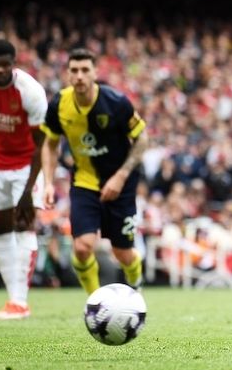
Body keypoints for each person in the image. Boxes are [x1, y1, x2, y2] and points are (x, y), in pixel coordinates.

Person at [40, 48, 148, 294]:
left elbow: (142, 138)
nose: (79, 76)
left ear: (95, 72)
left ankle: (136, 286)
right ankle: (94, 301)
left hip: (121, 183)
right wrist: (47, 182)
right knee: (82, 247)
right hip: (84, 181)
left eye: (85, 70)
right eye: (74, 70)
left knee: (123, 253)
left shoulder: (116, 103)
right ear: (67, 74)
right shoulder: (58, 104)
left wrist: (121, 176)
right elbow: (50, 144)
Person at [0, 39, 48, 319]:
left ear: (14, 64)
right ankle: (13, 301)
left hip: (27, 166)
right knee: (2, 231)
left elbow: (42, 145)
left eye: (6, 65)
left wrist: (29, 189)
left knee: (24, 225)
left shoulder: (31, 92)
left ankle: (20, 302)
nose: (0, 70)